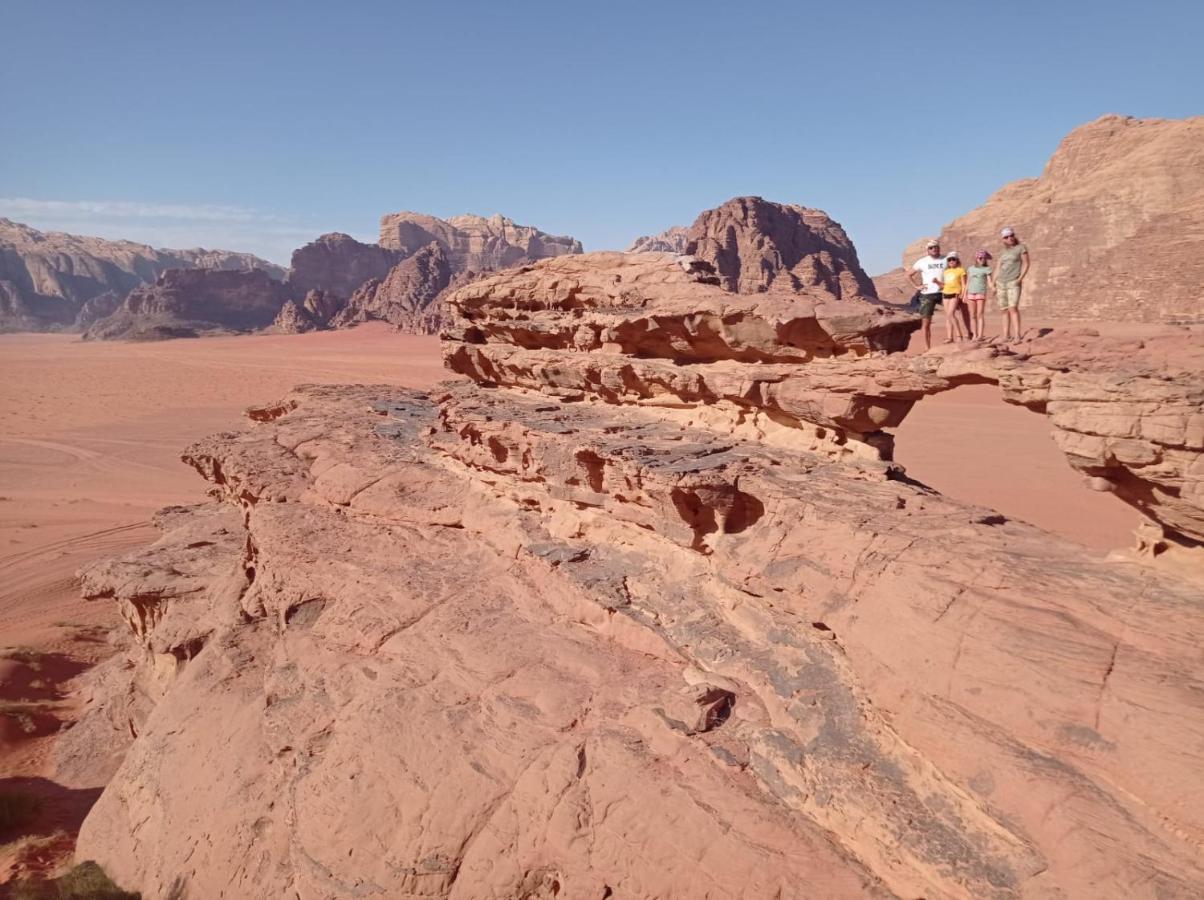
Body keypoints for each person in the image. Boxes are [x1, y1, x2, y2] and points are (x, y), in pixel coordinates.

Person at [908, 239, 946, 350]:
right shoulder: (922, 262)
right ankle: (927, 347)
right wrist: (916, 286)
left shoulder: (946, 259)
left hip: (944, 291)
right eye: (931, 248)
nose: (933, 249)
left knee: (953, 315)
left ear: (939, 247)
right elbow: (908, 274)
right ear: (927, 250)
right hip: (927, 294)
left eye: (935, 247)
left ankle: (958, 338)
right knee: (926, 322)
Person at [995, 227, 1030, 342]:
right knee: (1004, 310)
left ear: (1014, 236)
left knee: (1013, 308)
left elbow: (1026, 263)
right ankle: (1006, 335)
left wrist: (1020, 278)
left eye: (1011, 235)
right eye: (1006, 237)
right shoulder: (1003, 252)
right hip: (1001, 283)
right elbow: (998, 268)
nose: (1009, 238)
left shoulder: (1021, 248)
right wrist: (993, 282)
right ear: (1003, 240)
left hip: (1013, 281)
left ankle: (1017, 335)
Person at [940, 252, 968, 343]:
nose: (951, 261)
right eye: (949, 260)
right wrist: (937, 282)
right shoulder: (946, 271)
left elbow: (964, 284)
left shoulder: (961, 270)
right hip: (945, 294)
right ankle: (949, 337)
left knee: (951, 314)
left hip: (955, 294)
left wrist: (963, 295)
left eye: (953, 259)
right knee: (948, 316)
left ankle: (959, 335)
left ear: (957, 260)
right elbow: (944, 284)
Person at [966, 250, 993, 341]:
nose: (981, 259)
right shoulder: (970, 268)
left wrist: (993, 288)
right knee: (972, 315)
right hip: (970, 293)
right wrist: (964, 294)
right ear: (976, 258)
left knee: (980, 314)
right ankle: (975, 335)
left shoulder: (987, 269)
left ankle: (980, 335)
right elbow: (968, 282)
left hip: (980, 293)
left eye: (983, 258)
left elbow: (989, 281)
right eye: (980, 258)